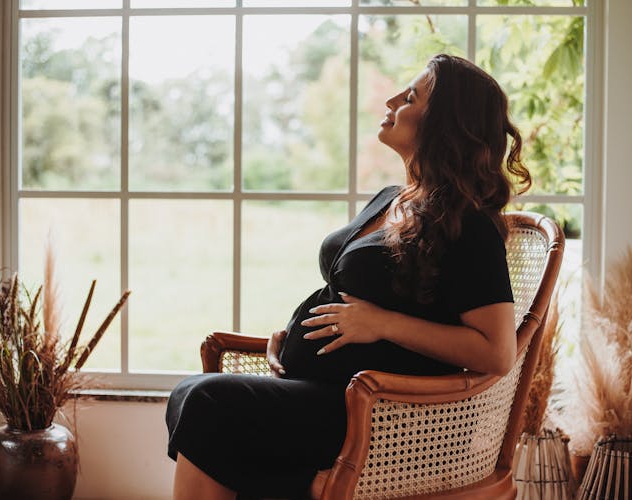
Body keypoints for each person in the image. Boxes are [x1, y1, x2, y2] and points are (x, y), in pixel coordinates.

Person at [165, 53, 531, 500]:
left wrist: (381, 323)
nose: (393, 99)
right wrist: (295, 341)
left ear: (445, 124)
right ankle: (306, 487)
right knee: (189, 396)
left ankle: (309, 487)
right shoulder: (391, 199)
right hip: (323, 392)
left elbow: (496, 352)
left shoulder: (467, 225)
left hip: (384, 415)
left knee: (207, 405)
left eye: (411, 96)